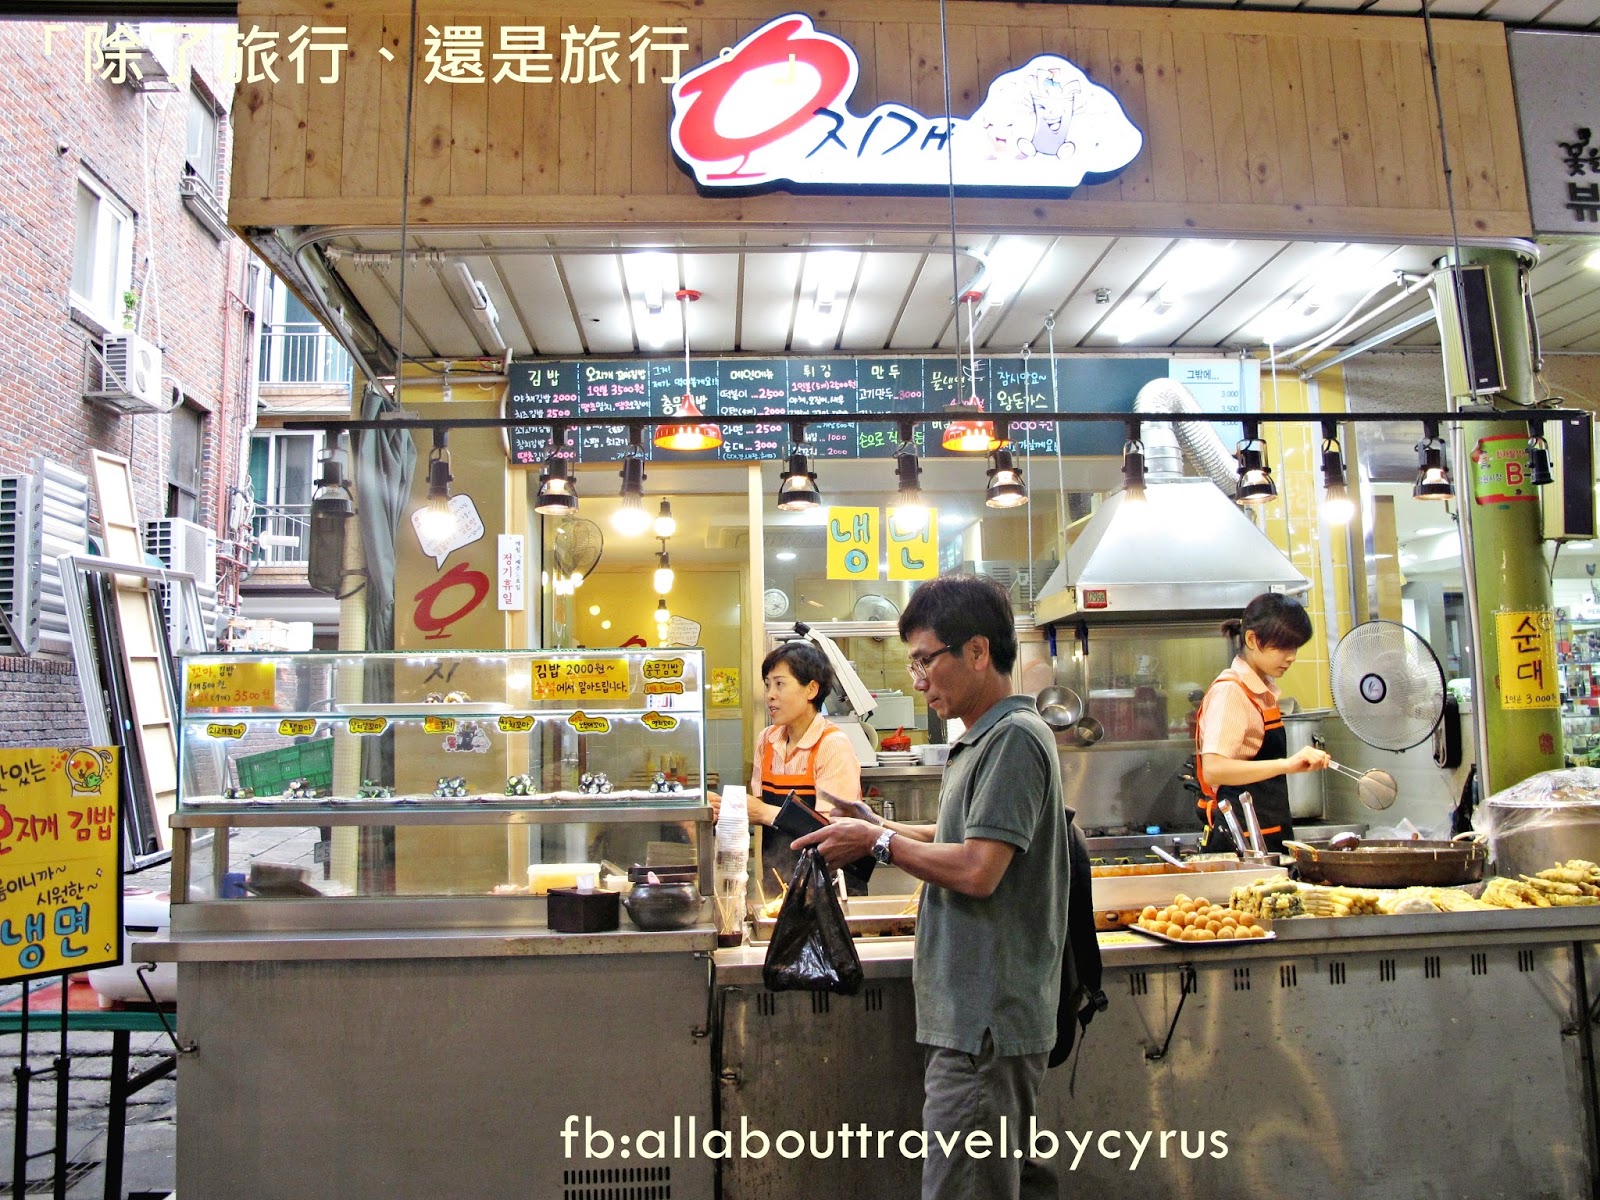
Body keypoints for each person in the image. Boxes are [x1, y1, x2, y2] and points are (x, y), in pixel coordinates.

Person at [796, 574, 1068, 1200]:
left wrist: (878, 845)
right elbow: (963, 837)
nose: (917, 680)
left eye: (925, 660)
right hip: (971, 1022)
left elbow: (978, 869)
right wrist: (879, 825)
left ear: (977, 651)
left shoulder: (1014, 738)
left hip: (985, 1025)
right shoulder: (982, 738)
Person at [724, 639, 865, 895]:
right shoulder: (767, 740)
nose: (770, 695)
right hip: (780, 882)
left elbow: (832, 830)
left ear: (811, 689)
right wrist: (723, 811)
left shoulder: (832, 744)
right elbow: (758, 810)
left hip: (830, 887)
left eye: (780, 684)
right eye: (767, 684)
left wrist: (763, 812)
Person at [1194, 592, 1330, 854]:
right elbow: (1214, 769)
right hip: (1240, 846)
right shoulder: (1231, 692)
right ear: (1252, 640)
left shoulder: (1261, 690)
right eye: (1283, 647)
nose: (1291, 657)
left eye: (1295, 647)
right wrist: (1287, 765)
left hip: (1267, 838)